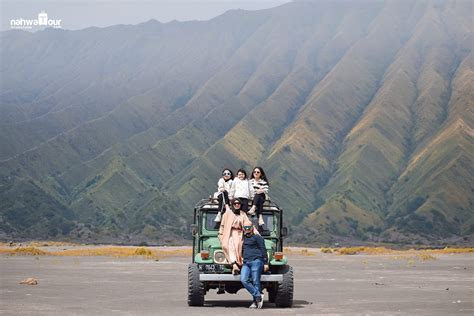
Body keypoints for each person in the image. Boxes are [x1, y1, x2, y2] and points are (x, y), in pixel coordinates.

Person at [218, 199, 252, 274]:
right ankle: (234, 264)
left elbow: (248, 224)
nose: (237, 205)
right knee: (227, 245)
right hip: (229, 233)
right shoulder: (227, 214)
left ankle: (241, 263)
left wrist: (254, 233)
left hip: (240, 233)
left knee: (239, 245)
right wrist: (220, 234)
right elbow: (222, 226)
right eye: (235, 203)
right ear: (232, 204)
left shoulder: (243, 214)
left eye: (238, 203)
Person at [240, 220, 269, 309]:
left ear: (252, 228)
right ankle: (258, 295)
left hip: (256, 261)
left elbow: (263, 249)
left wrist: (266, 262)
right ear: (243, 229)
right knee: (244, 279)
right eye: (245, 227)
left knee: (255, 281)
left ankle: (255, 302)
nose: (247, 229)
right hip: (246, 262)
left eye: (249, 227)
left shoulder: (257, 237)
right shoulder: (242, 238)